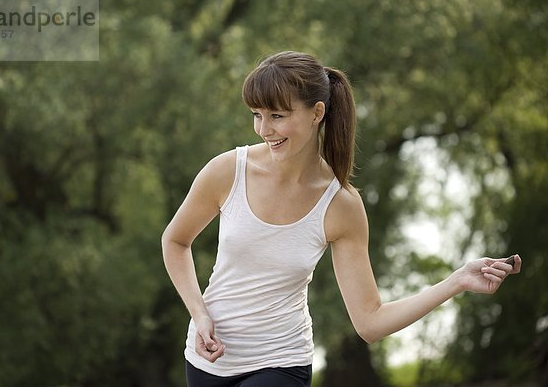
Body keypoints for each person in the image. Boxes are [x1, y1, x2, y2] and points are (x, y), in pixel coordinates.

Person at [162, 51, 522, 387]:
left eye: (277, 116)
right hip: (208, 363)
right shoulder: (228, 171)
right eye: (257, 115)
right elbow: (176, 241)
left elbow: (370, 322)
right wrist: (200, 315)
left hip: (280, 362)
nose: (263, 129)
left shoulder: (340, 205)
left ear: (317, 113)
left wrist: (457, 281)